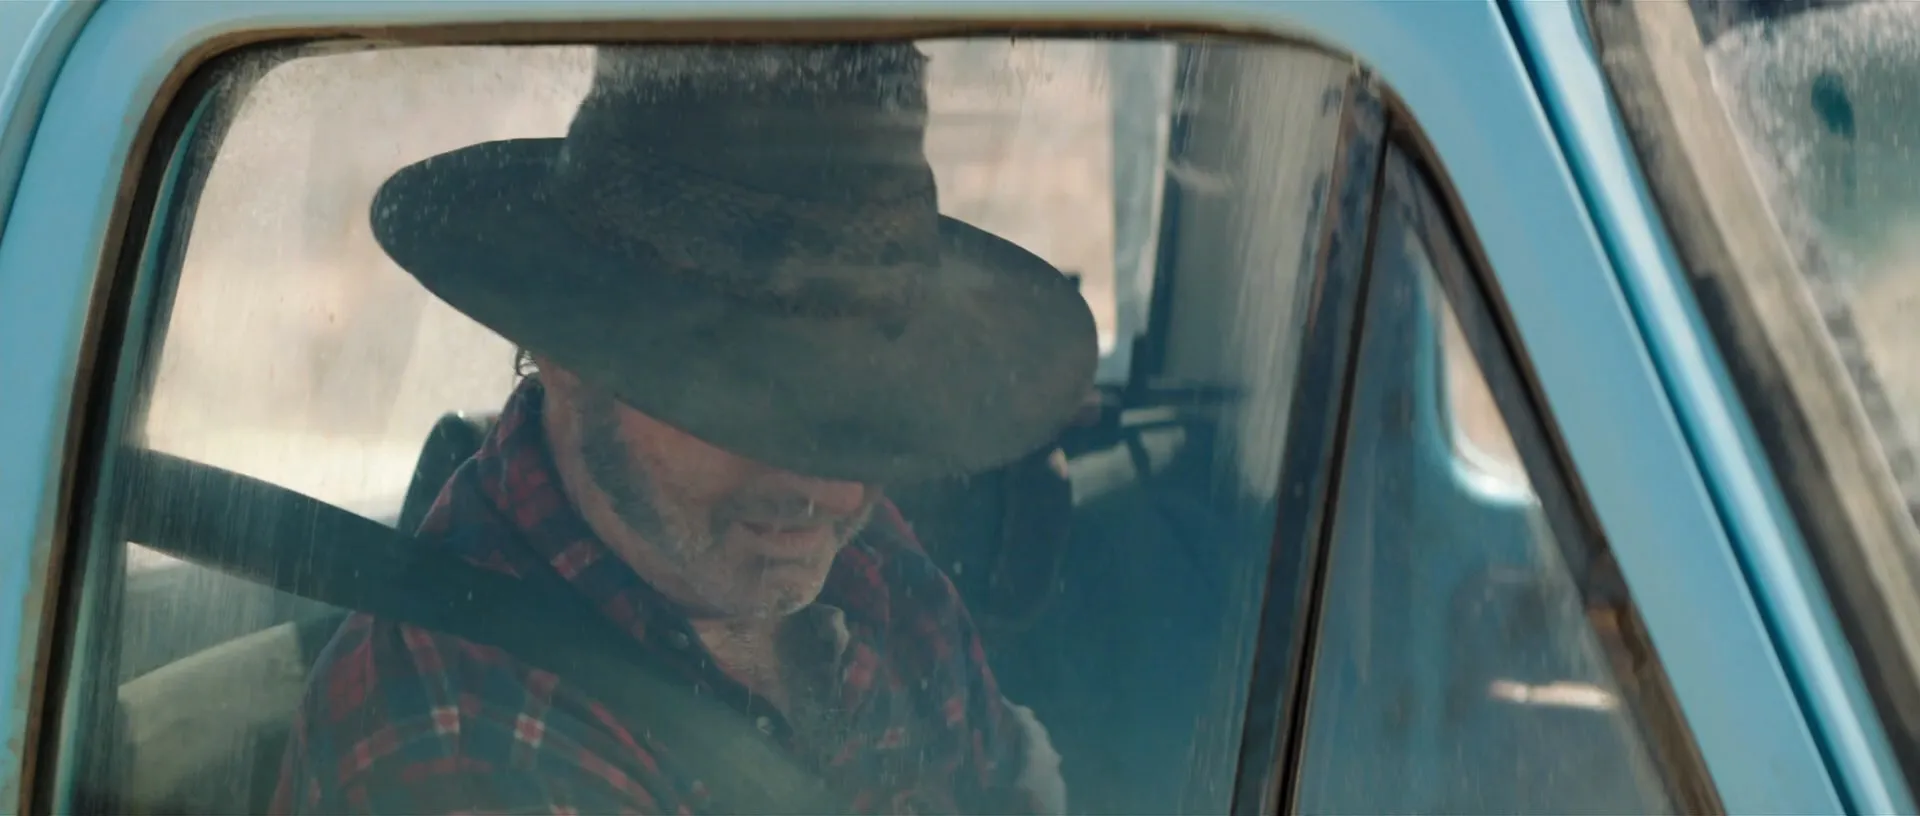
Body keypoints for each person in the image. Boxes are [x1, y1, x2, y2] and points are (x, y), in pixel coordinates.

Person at [271, 41, 1097, 814]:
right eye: (746, 397)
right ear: (569, 352)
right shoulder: (458, 740)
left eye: (858, 411)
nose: (822, 483)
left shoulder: (874, 569)